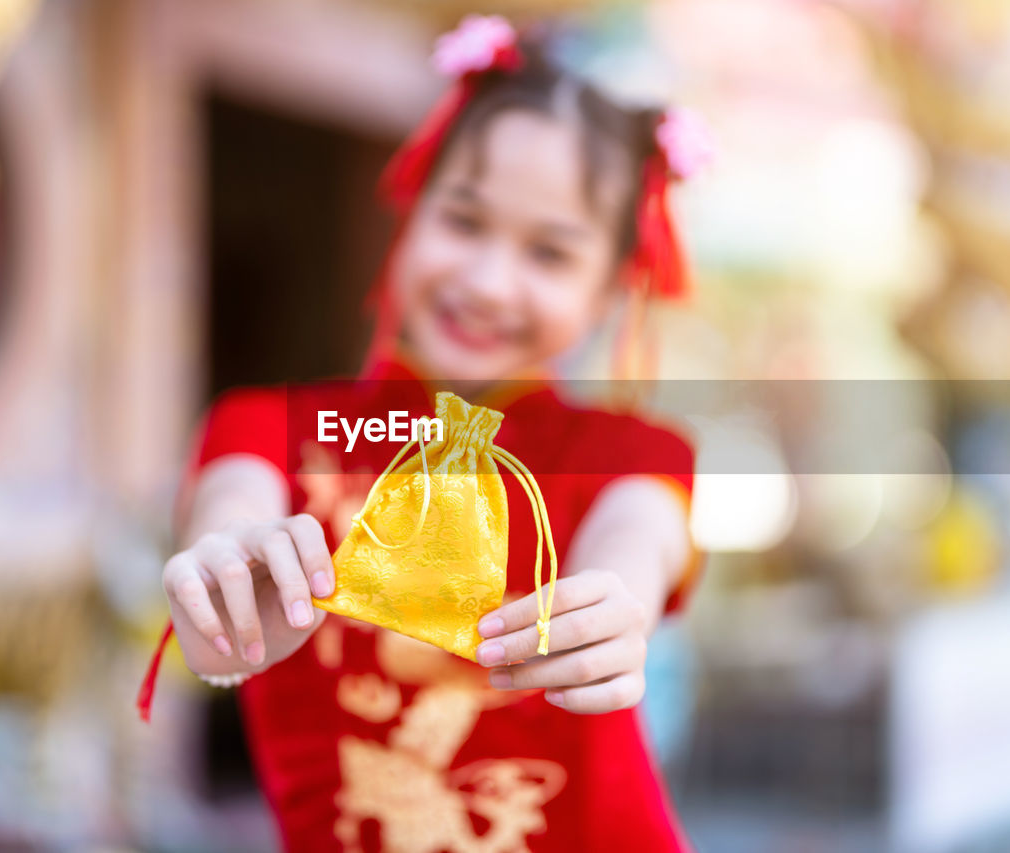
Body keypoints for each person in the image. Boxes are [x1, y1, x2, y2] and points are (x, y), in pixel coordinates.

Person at [138, 16, 710, 852]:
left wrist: (617, 603)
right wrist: (225, 583)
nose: (486, 279)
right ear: (410, 213)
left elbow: (639, 539)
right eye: (464, 221)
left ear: (608, 294)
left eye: (549, 254)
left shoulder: (635, 457)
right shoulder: (268, 428)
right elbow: (230, 518)